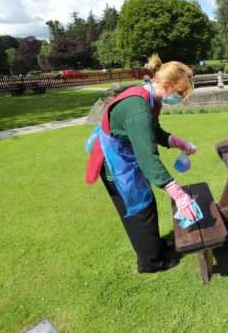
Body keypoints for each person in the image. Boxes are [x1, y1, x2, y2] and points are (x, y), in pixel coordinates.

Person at [85, 55, 198, 273]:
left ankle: (153, 246)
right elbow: (148, 159)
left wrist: (175, 141)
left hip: (125, 158)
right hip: (116, 166)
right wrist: (178, 194)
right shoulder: (138, 107)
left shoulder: (148, 94)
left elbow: (151, 130)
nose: (181, 97)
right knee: (140, 213)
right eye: (181, 92)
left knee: (147, 206)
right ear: (166, 84)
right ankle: (150, 263)